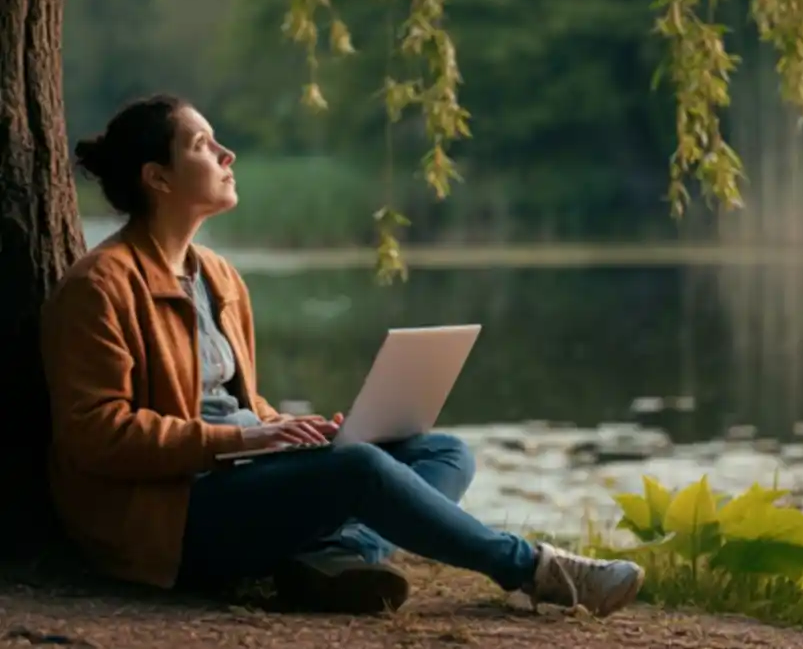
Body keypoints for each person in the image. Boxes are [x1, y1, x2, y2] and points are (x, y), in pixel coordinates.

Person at [39, 94, 645, 616]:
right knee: (358, 469)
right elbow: (95, 435)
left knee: (442, 450)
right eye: (203, 144)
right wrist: (241, 442)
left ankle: (334, 560)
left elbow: (236, 404)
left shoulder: (218, 276)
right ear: (159, 178)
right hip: (170, 516)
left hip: (239, 477)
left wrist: (284, 428)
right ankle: (536, 571)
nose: (227, 155)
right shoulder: (102, 286)